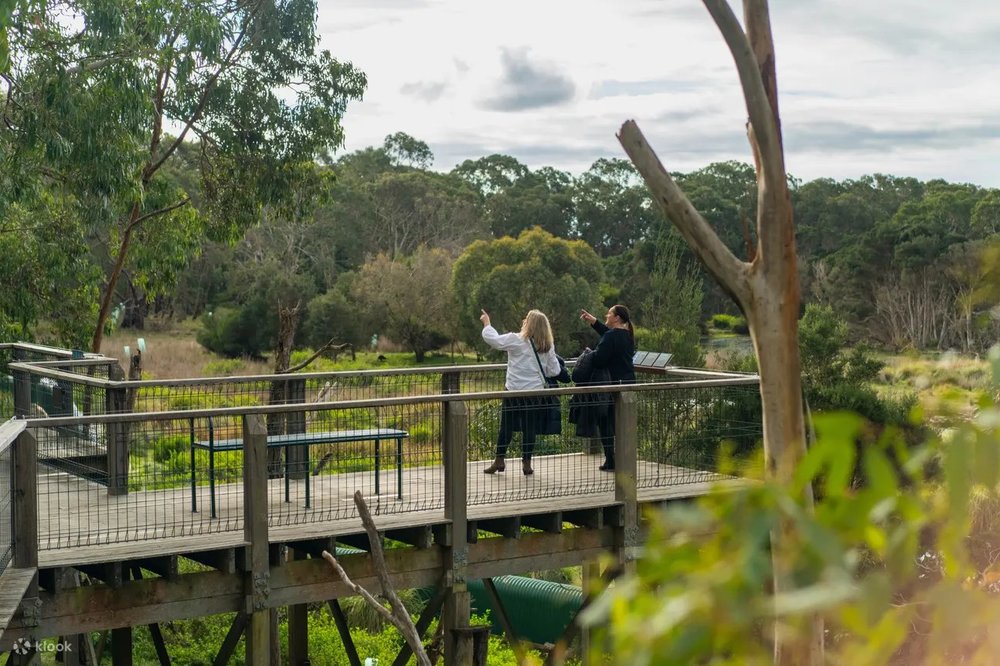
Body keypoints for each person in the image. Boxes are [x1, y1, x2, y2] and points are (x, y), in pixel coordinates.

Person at [480, 308, 561, 475]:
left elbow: (493, 340)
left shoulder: (516, 339)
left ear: (529, 324)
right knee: (529, 428)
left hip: (513, 392)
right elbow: (554, 371)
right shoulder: (547, 345)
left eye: (526, 319)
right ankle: (526, 463)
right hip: (534, 394)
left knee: (506, 426)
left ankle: (499, 460)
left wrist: (487, 323)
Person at [579, 304, 636, 471]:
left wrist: (590, 354)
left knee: (606, 423)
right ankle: (625, 460)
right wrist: (594, 321)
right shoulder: (627, 335)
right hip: (627, 383)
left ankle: (610, 460)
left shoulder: (611, 337)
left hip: (611, 386)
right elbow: (609, 335)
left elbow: (600, 360)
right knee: (622, 424)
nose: (606, 315)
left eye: (609, 313)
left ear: (617, 317)